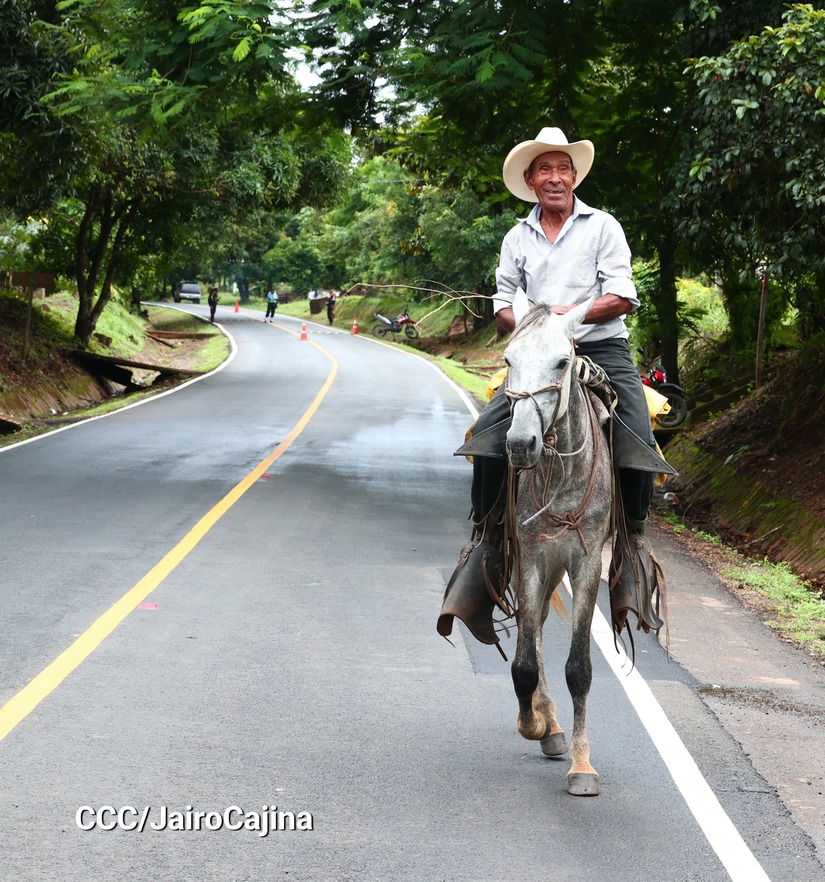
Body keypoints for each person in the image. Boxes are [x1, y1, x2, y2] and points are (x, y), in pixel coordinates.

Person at [437, 126, 665, 651]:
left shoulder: (603, 226)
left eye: (563, 168)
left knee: (638, 439)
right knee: (488, 435)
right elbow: (503, 301)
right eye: (545, 169)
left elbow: (622, 295)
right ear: (530, 179)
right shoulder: (516, 237)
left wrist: (565, 315)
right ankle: (485, 544)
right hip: (537, 352)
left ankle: (633, 545)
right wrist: (533, 325)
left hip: (601, 347)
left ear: (574, 176)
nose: (555, 177)